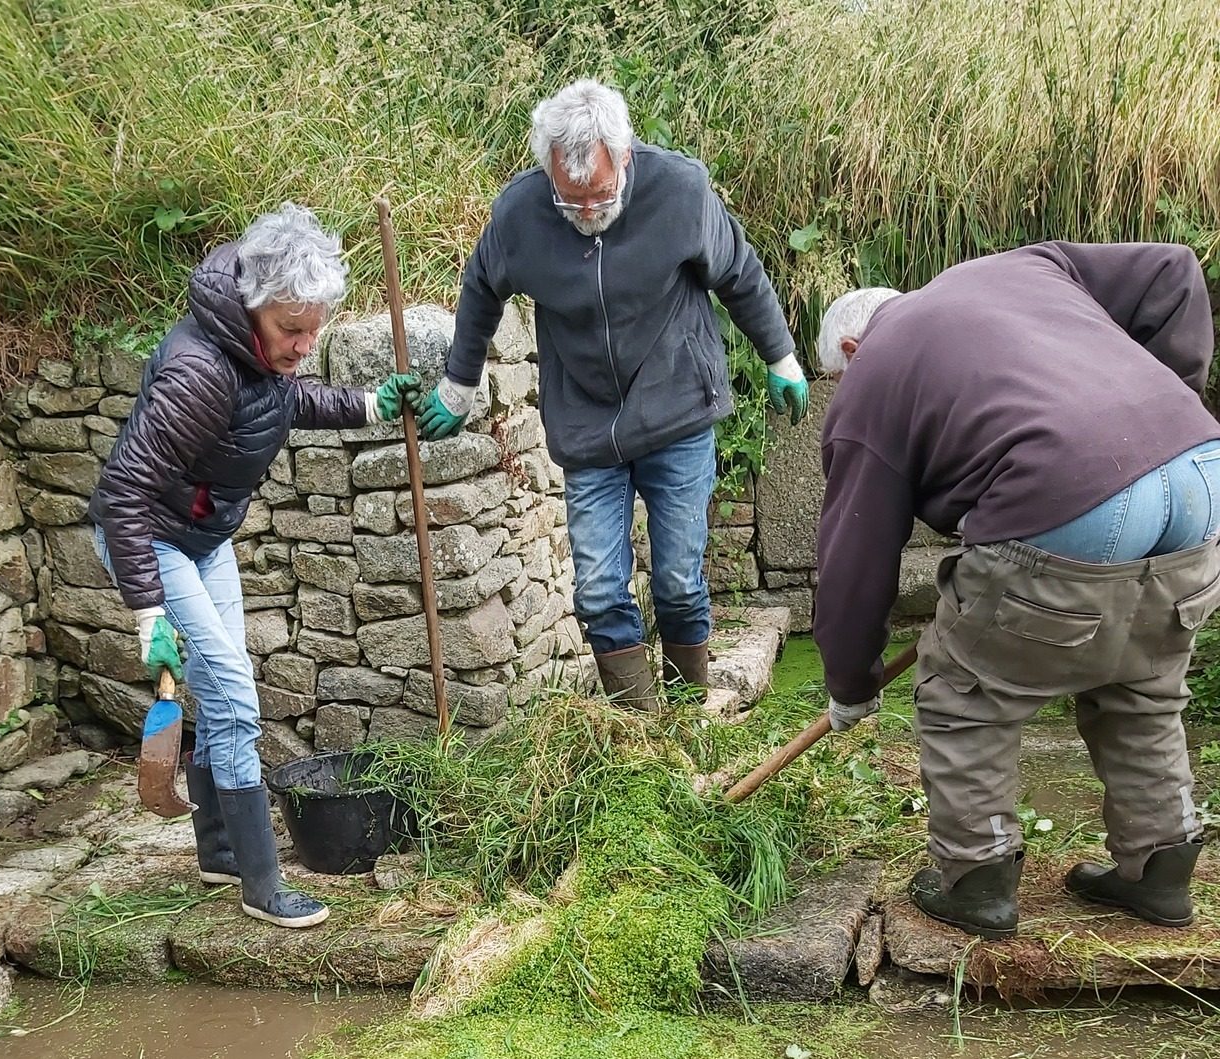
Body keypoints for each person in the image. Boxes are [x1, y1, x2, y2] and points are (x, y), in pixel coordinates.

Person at [812, 241, 1220, 939]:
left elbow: (854, 556)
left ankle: (978, 880)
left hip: (1074, 494)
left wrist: (852, 683)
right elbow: (1175, 270)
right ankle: (1158, 872)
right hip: (1202, 474)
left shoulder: (875, 369)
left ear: (853, 346)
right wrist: (1166, 408)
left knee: (963, 692)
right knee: (1140, 677)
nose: (845, 389)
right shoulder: (1017, 269)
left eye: (838, 376)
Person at [416, 79, 808, 709]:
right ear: (548, 173)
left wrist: (781, 355)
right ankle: (643, 737)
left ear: (625, 158)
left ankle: (685, 722)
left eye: (600, 194)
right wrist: (459, 384)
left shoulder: (679, 190)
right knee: (598, 591)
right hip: (586, 418)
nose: (588, 212)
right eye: (571, 202)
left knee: (678, 582)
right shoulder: (520, 214)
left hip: (676, 405)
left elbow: (739, 271)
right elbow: (482, 287)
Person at [88, 203, 420, 928]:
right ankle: (262, 884)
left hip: (202, 540)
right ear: (253, 308)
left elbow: (281, 401)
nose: (304, 344)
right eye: (290, 330)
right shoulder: (200, 372)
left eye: (314, 328)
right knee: (235, 698)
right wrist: (149, 615)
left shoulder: (252, 355)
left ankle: (218, 851)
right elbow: (123, 493)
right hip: (152, 540)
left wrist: (367, 405)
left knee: (224, 685)